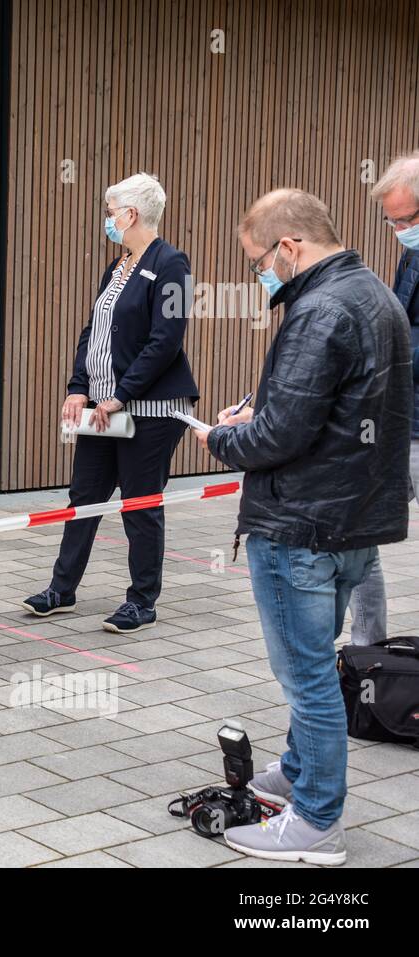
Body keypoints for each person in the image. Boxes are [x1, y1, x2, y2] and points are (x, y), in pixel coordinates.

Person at [193, 188, 410, 865]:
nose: (262, 272)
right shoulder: (378, 295)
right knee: (317, 664)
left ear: (290, 246)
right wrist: (259, 411)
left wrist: (223, 440)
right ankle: (296, 767)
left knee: (307, 675)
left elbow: (281, 433)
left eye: (260, 258)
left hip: (301, 525)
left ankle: (315, 819)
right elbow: (339, 403)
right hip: (353, 523)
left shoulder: (318, 308)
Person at [21, 172, 198, 634]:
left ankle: (142, 600)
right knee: (85, 498)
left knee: (139, 504)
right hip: (101, 408)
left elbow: (166, 340)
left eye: (110, 211)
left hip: (148, 411)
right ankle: (62, 589)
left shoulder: (171, 263)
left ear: (132, 214)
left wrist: (122, 394)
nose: (107, 219)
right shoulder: (117, 267)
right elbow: (93, 332)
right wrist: (79, 385)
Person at [346, 150, 419, 645]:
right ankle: (366, 655)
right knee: (357, 528)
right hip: (401, 421)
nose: (398, 232)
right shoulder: (412, 253)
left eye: (405, 221)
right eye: (390, 222)